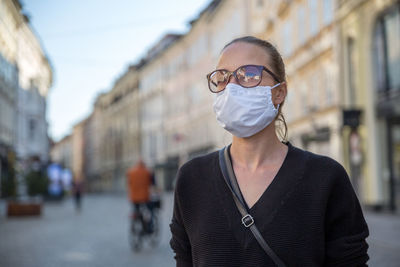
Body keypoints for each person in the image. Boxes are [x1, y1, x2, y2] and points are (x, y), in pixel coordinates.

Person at [169, 36, 369, 266]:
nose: (232, 87)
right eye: (222, 77)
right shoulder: (192, 179)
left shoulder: (325, 178)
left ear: (279, 92)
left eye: (249, 74)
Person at [126, 159, 155, 229]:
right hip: (145, 197)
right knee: (151, 210)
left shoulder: (131, 172)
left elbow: (129, 183)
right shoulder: (147, 172)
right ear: (144, 165)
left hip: (133, 198)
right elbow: (153, 183)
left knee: (136, 211)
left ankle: (135, 226)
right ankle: (150, 226)